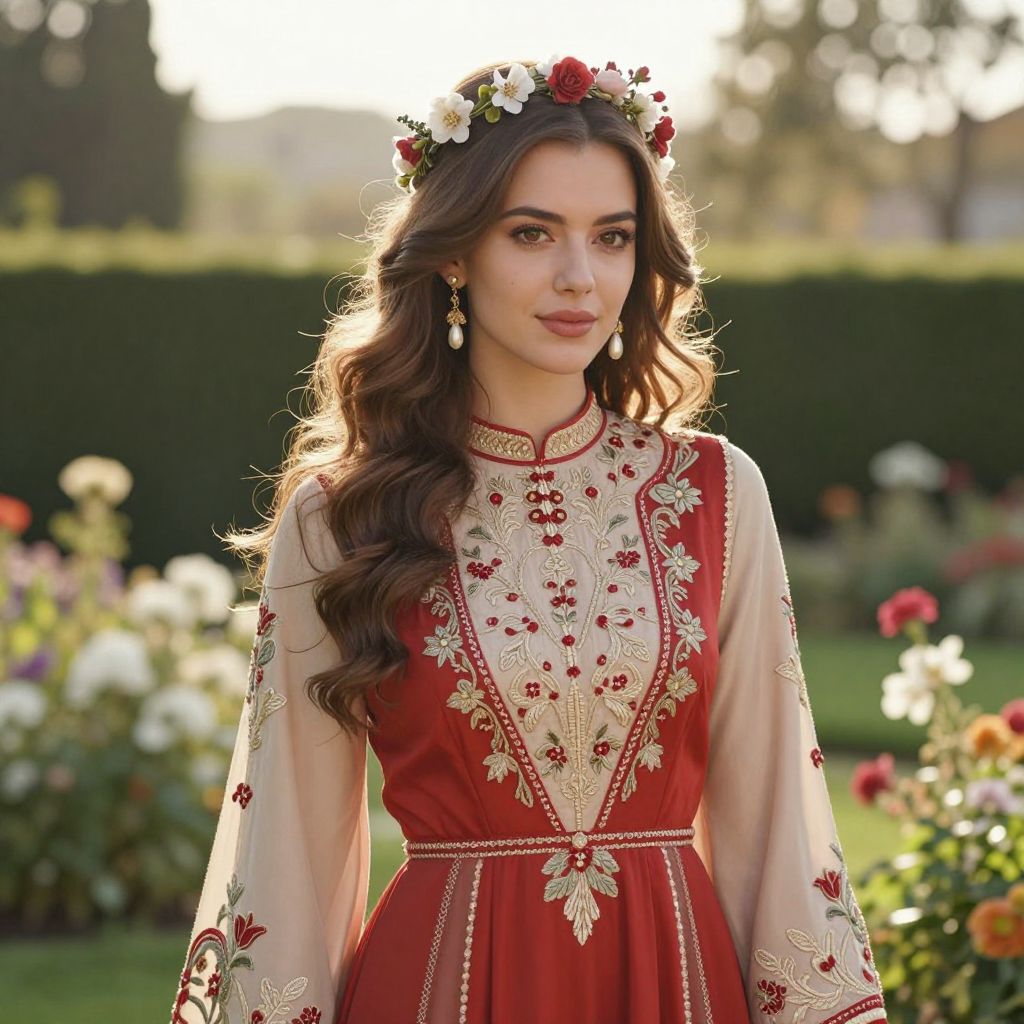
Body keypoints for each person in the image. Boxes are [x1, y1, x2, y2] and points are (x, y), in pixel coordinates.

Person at [170, 56, 888, 1024]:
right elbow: (287, 842)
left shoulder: (714, 490)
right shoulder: (341, 515)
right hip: (438, 988)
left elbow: (776, 814)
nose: (577, 278)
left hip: (672, 984)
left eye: (612, 237)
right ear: (455, 253)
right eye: (530, 232)